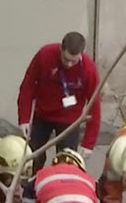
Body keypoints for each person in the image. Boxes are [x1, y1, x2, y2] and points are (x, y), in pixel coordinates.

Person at [16, 32, 100, 173]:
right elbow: (28, 86)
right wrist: (23, 118)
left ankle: (60, 190)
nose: (68, 64)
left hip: (70, 120)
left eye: (73, 61)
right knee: (32, 157)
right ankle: (29, 190)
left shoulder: (88, 70)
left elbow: (94, 106)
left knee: (65, 162)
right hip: (43, 114)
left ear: (81, 54)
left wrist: (88, 143)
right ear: (61, 48)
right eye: (66, 59)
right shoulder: (44, 55)